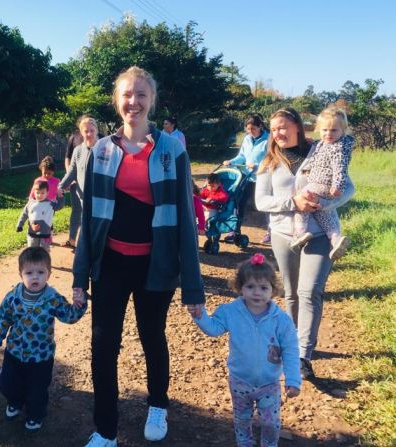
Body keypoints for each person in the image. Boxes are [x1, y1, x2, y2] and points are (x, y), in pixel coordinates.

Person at [73, 66, 204, 446]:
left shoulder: (172, 150)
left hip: (156, 266)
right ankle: (105, 430)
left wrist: (193, 288)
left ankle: (158, 405)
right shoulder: (99, 151)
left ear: (152, 100)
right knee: (103, 344)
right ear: (117, 100)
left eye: (141, 94)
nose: (134, 101)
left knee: (152, 337)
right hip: (111, 264)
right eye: (127, 94)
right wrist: (80, 278)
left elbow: (183, 221)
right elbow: (89, 221)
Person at [255, 107, 355, 380]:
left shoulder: (323, 148)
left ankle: (302, 356)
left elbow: (349, 188)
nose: (278, 133)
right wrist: (293, 203)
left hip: (319, 234)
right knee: (291, 292)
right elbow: (261, 201)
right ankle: (292, 343)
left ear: (298, 127)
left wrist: (324, 203)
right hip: (283, 234)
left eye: (283, 127)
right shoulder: (269, 162)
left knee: (309, 291)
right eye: (274, 129)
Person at [187, 253, 301, 447]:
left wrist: (292, 379)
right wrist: (200, 316)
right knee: (241, 420)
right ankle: (244, 444)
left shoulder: (280, 320)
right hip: (239, 381)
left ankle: (269, 444)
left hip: (269, 383)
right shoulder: (231, 311)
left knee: (271, 423)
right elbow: (214, 328)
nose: (257, 292)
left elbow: (290, 350)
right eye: (250, 286)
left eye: (263, 287)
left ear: (273, 290)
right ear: (240, 288)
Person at [0, 247, 87, 432]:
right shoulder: (13, 297)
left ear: (49, 274)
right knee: (7, 383)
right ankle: (15, 401)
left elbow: (69, 316)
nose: (35, 277)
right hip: (14, 352)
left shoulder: (53, 299)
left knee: (37, 391)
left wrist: (79, 305)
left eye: (40, 272)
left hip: (41, 357)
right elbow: (3, 318)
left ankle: (35, 415)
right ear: (21, 274)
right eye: (29, 273)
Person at [290, 107, 354, 260]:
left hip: (322, 184)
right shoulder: (323, 144)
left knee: (302, 199)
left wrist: (338, 186)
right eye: (325, 130)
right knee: (322, 213)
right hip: (322, 185)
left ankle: (300, 233)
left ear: (343, 131)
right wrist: (313, 143)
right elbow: (318, 152)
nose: (328, 134)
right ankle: (335, 238)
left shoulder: (338, 148)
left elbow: (340, 167)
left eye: (334, 130)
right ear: (319, 129)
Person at [223, 114, 270, 243]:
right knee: (239, 202)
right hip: (247, 177)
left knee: (265, 205)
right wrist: (231, 161)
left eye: (253, 129)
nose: (250, 132)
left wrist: (258, 166)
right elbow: (242, 156)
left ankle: (271, 232)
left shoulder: (269, 139)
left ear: (260, 126)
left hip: (263, 177)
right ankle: (235, 230)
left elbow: (272, 159)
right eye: (248, 129)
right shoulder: (247, 139)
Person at [59, 115, 99, 248]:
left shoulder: (104, 148)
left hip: (100, 197)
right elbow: (72, 172)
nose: (89, 134)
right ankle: (83, 248)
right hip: (83, 196)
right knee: (84, 221)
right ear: (81, 133)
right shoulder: (78, 151)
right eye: (86, 131)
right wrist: (60, 187)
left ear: (96, 130)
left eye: (92, 130)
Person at [17, 180, 64, 251]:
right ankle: (32, 261)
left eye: (42, 193)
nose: (40, 195)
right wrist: (19, 225)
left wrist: (61, 196)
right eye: (37, 193)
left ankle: (44, 261)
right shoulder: (30, 204)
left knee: (44, 251)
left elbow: (60, 206)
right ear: (34, 192)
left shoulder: (51, 204)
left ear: (47, 193)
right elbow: (24, 214)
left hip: (45, 233)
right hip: (32, 233)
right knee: (32, 250)